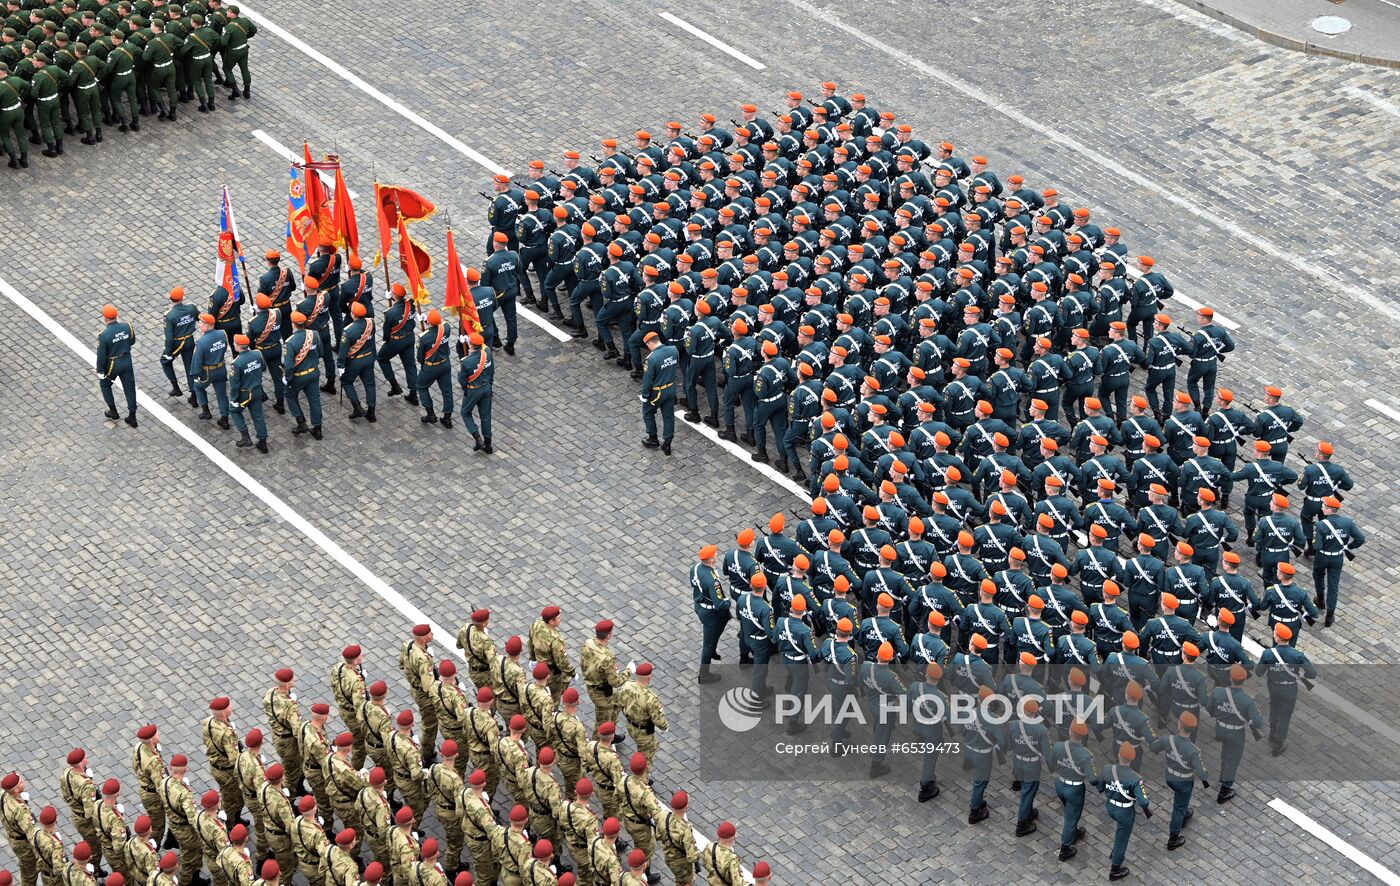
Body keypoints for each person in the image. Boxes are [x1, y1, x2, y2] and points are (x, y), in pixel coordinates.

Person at [1096, 741, 1150, 881]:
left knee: (1120, 835)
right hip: (1125, 812)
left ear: (1119, 755)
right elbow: (1143, 801)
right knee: (1122, 839)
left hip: (1110, 807)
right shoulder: (1135, 778)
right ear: (1132, 759)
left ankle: (1114, 853)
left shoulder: (1108, 769)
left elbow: (1100, 787)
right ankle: (1115, 869)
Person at [1311, 496, 1365, 627]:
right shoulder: (1347, 522)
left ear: (1329, 510)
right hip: (1337, 557)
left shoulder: (1321, 525)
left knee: (1318, 575)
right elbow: (1360, 538)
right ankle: (1330, 615)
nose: (1322, 507)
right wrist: (1348, 547)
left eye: (1324, 506)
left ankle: (1320, 599)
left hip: (1322, 557)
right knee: (1333, 586)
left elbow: (1317, 546)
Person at [283, 311, 324, 440]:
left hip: (299, 376)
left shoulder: (290, 342)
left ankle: (301, 423)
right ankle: (317, 429)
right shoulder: (315, 334)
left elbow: (289, 365)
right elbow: (321, 352)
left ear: (293, 324)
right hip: (313, 372)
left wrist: (287, 379)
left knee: (289, 394)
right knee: (314, 401)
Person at [95, 303, 138, 427]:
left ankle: (113, 411)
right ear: (117, 316)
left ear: (105, 319)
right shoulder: (127, 326)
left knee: (105, 385)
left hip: (113, 363)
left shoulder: (103, 335)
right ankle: (132, 416)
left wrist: (101, 371)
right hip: (127, 360)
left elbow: (101, 356)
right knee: (130, 388)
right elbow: (132, 341)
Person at [338, 302, 378, 422]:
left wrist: (340, 365)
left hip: (356, 361)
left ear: (353, 314)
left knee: (346, 381)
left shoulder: (348, 331)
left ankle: (357, 407)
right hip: (369, 357)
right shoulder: (371, 323)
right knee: (370, 384)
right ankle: (371, 412)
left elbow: (343, 352)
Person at [228, 334, 269, 452]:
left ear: (238, 346)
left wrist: (234, 399)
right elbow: (264, 368)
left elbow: (235, 384)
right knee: (258, 416)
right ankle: (263, 442)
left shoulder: (236, 363)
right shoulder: (257, 353)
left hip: (245, 393)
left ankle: (245, 437)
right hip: (257, 390)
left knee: (234, 411)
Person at [639, 331, 678, 454]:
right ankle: (667, 444)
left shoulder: (651, 359)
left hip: (657, 392)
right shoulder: (673, 350)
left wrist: (645, 395)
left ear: (650, 343)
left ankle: (653, 438)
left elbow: (647, 380)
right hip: (671, 388)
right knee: (668, 417)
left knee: (647, 413)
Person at [190, 312, 231, 427]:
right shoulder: (222, 333)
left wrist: (195, 374)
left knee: (197, 386)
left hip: (208, 371)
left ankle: (206, 411)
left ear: (207, 325)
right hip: (221, 368)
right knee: (222, 395)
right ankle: (224, 418)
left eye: (201, 323)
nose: (199, 325)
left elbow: (197, 360)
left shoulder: (202, 342)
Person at [416, 309, 453, 428]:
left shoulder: (424, 338)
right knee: (447, 391)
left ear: (430, 323)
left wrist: (423, 365)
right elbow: (442, 324)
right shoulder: (446, 328)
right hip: (445, 364)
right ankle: (447, 417)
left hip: (431, 367)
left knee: (421, 386)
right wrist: (427, 320)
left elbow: (420, 357)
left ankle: (430, 414)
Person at [459, 332, 494, 453]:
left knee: (465, 412)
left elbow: (462, 380)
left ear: (471, 345)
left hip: (474, 390)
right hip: (486, 387)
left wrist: (466, 390)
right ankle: (488, 444)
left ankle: (478, 439)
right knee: (486, 416)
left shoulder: (466, 362)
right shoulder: (487, 353)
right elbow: (491, 370)